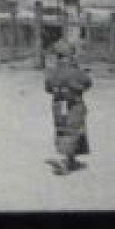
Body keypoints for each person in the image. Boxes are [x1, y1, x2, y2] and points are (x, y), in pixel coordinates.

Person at [44, 40, 92, 175]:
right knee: (73, 131)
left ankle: (70, 159)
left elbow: (47, 87)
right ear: (71, 54)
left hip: (58, 104)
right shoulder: (75, 71)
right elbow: (88, 82)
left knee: (62, 130)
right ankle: (65, 162)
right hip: (74, 104)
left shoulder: (53, 71)